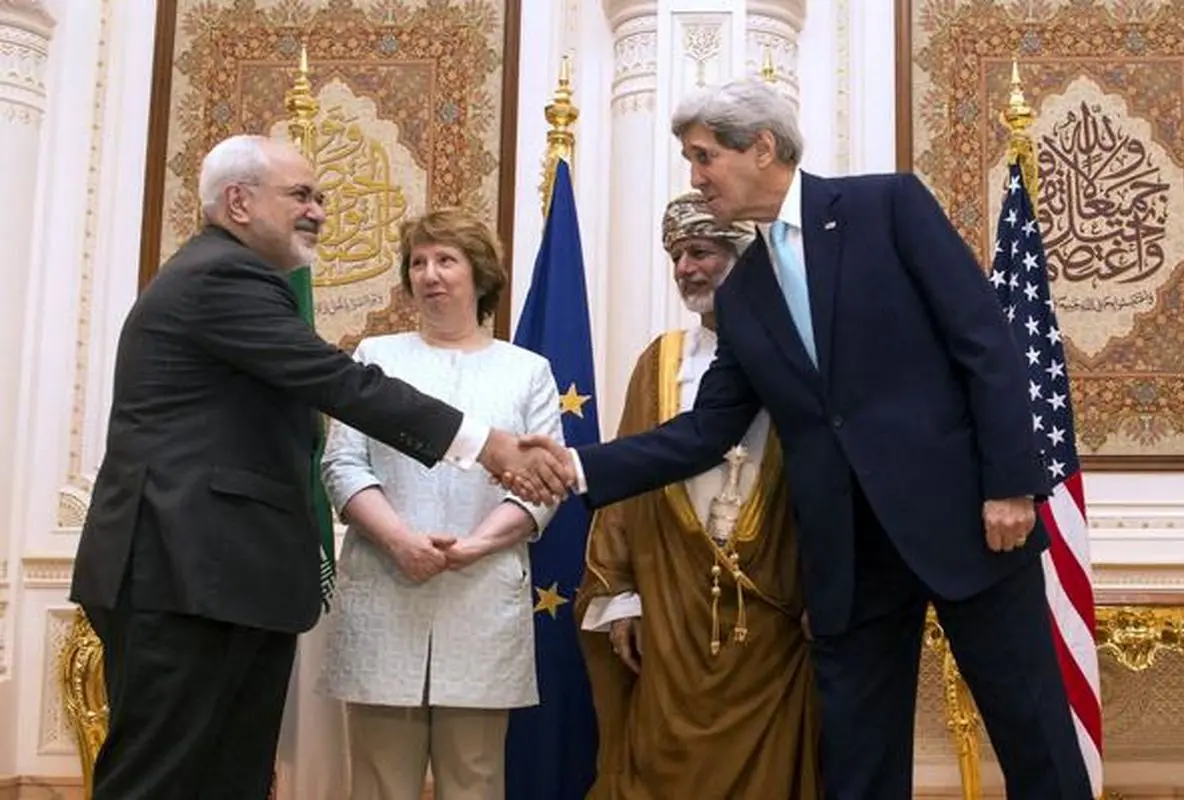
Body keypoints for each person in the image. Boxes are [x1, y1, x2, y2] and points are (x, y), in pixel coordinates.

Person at [520, 78, 1093, 799]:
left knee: (1033, 737)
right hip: (849, 557)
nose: (695, 177)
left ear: (762, 147)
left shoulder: (886, 207)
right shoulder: (743, 292)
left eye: (704, 156)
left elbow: (984, 343)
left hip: (967, 523)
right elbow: (705, 431)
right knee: (857, 767)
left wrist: (1010, 483)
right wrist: (575, 466)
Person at [68, 134, 569, 800]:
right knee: (163, 780)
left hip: (220, 579)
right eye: (301, 195)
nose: (318, 212)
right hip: (183, 572)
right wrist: (488, 445)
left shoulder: (238, 278)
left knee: (225, 779)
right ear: (239, 203)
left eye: (321, 197)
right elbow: (338, 383)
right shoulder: (221, 276)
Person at [575, 192, 820, 799]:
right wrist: (621, 595)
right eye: (677, 256)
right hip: (670, 604)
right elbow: (625, 486)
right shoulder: (662, 362)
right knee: (659, 760)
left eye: (701, 251)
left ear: (743, 256)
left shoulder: (802, 352)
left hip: (776, 608)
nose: (686, 268)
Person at [318, 208, 562, 800]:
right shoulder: (376, 357)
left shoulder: (527, 371)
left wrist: (474, 546)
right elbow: (342, 465)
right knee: (379, 784)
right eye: (418, 262)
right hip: (386, 589)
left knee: (475, 779)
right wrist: (400, 541)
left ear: (480, 275)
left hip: (482, 596)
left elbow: (542, 483)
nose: (429, 274)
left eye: (446, 260)